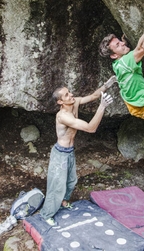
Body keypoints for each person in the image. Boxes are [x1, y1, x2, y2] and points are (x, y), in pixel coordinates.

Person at [40, 76, 116, 226]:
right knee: (57, 185)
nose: (71, 95)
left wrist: (107, 84)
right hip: (60, 154)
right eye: (67, 95)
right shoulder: (63, 116)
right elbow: (90, 128)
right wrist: (102, 107)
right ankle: (46, 214)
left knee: (71, 180)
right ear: (60, 102)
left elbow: (94, 96)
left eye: (69, 92)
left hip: (69, 151)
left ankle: (63, 201)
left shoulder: (75, 103)